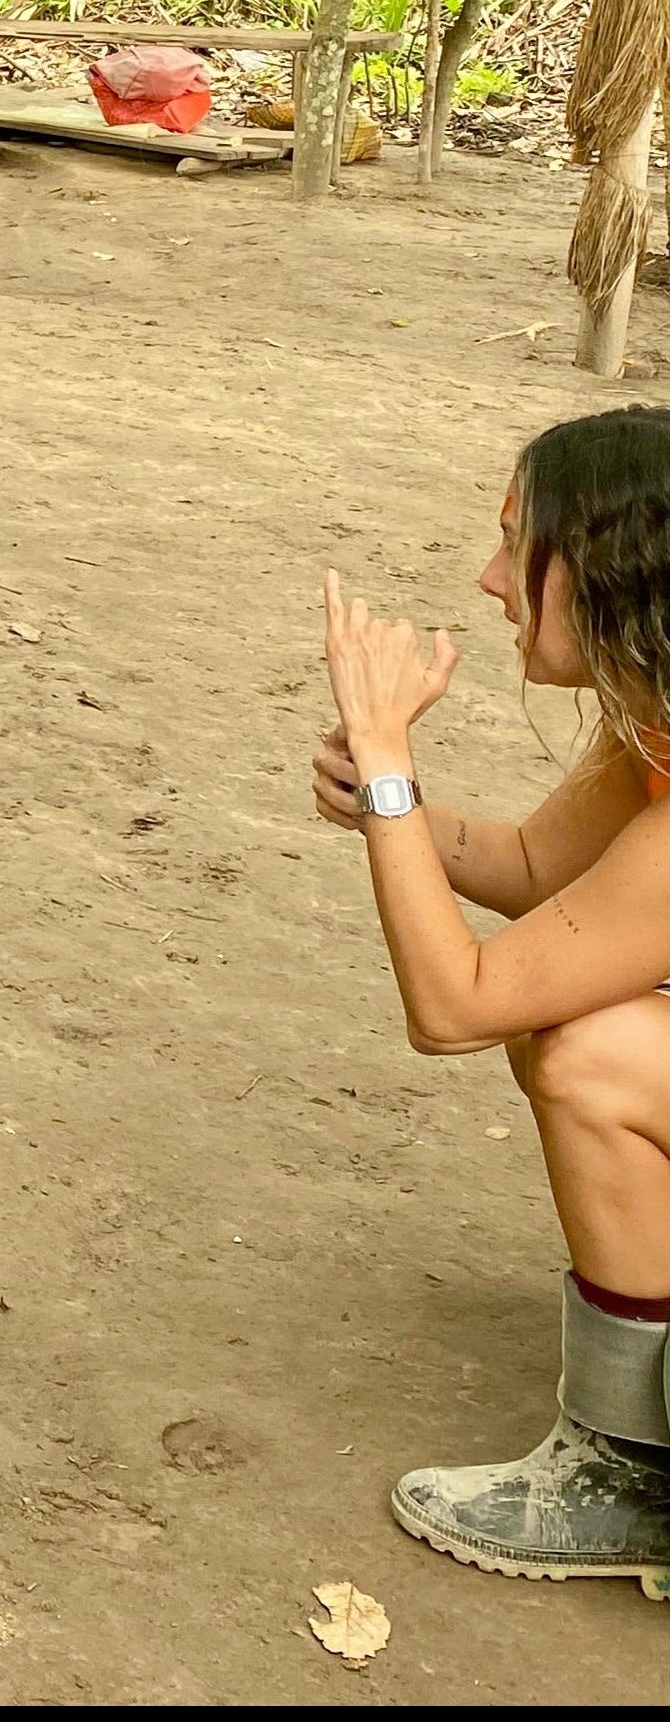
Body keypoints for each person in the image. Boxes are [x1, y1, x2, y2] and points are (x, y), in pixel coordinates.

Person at [314, 409, 670, 1583]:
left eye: (516, 543)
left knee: (586, 1048)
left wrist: (387, 771)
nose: (485, 579)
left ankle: (625, 1474)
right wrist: (391, 800)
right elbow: (526, 870)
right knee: (572, 1022)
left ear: (611, 565)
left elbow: (455, 1004)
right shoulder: (655, 721)